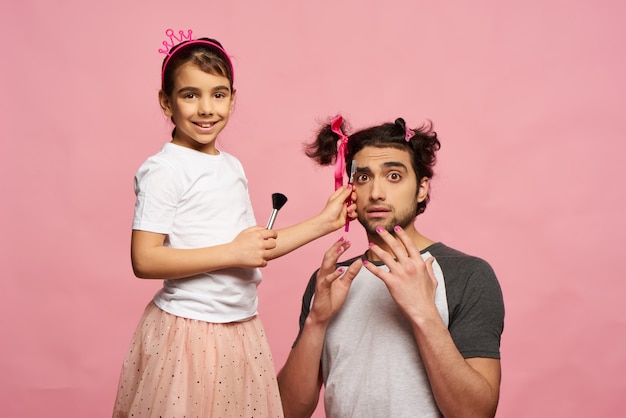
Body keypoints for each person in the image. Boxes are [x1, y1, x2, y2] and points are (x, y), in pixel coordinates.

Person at [112, 30, 355, 418]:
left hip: (240, 330)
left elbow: (254, 249)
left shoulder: (231, 166)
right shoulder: (164, 169)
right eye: (190, 95)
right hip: (188, 332)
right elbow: (145, 260)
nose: (206, 108)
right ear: (166, 102)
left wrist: (326, 222)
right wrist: (232, 251)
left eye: (218, 94)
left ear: (232, 98)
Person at [277, 116, 505, 418]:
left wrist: (424, 312)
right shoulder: (332, 281)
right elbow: (288, 411)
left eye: (394, 176)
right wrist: (316, 323)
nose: (376, 193)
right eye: (363, 177)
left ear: (422, 188)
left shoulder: (467, 275)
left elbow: (475, 413)